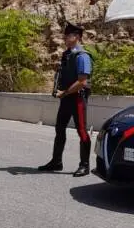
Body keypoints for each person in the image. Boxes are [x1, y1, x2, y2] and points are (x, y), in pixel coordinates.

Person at [38, 21, 94, 177]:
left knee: (81, 131)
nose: (65, 38)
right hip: (67, 97)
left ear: (76, 37)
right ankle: (56, 161)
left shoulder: (82, 56)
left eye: (68, 35)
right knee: (59, 128)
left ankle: (84, 165)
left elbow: (82, 82)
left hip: (77, 98)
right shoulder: (67, 54)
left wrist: (64, 93)